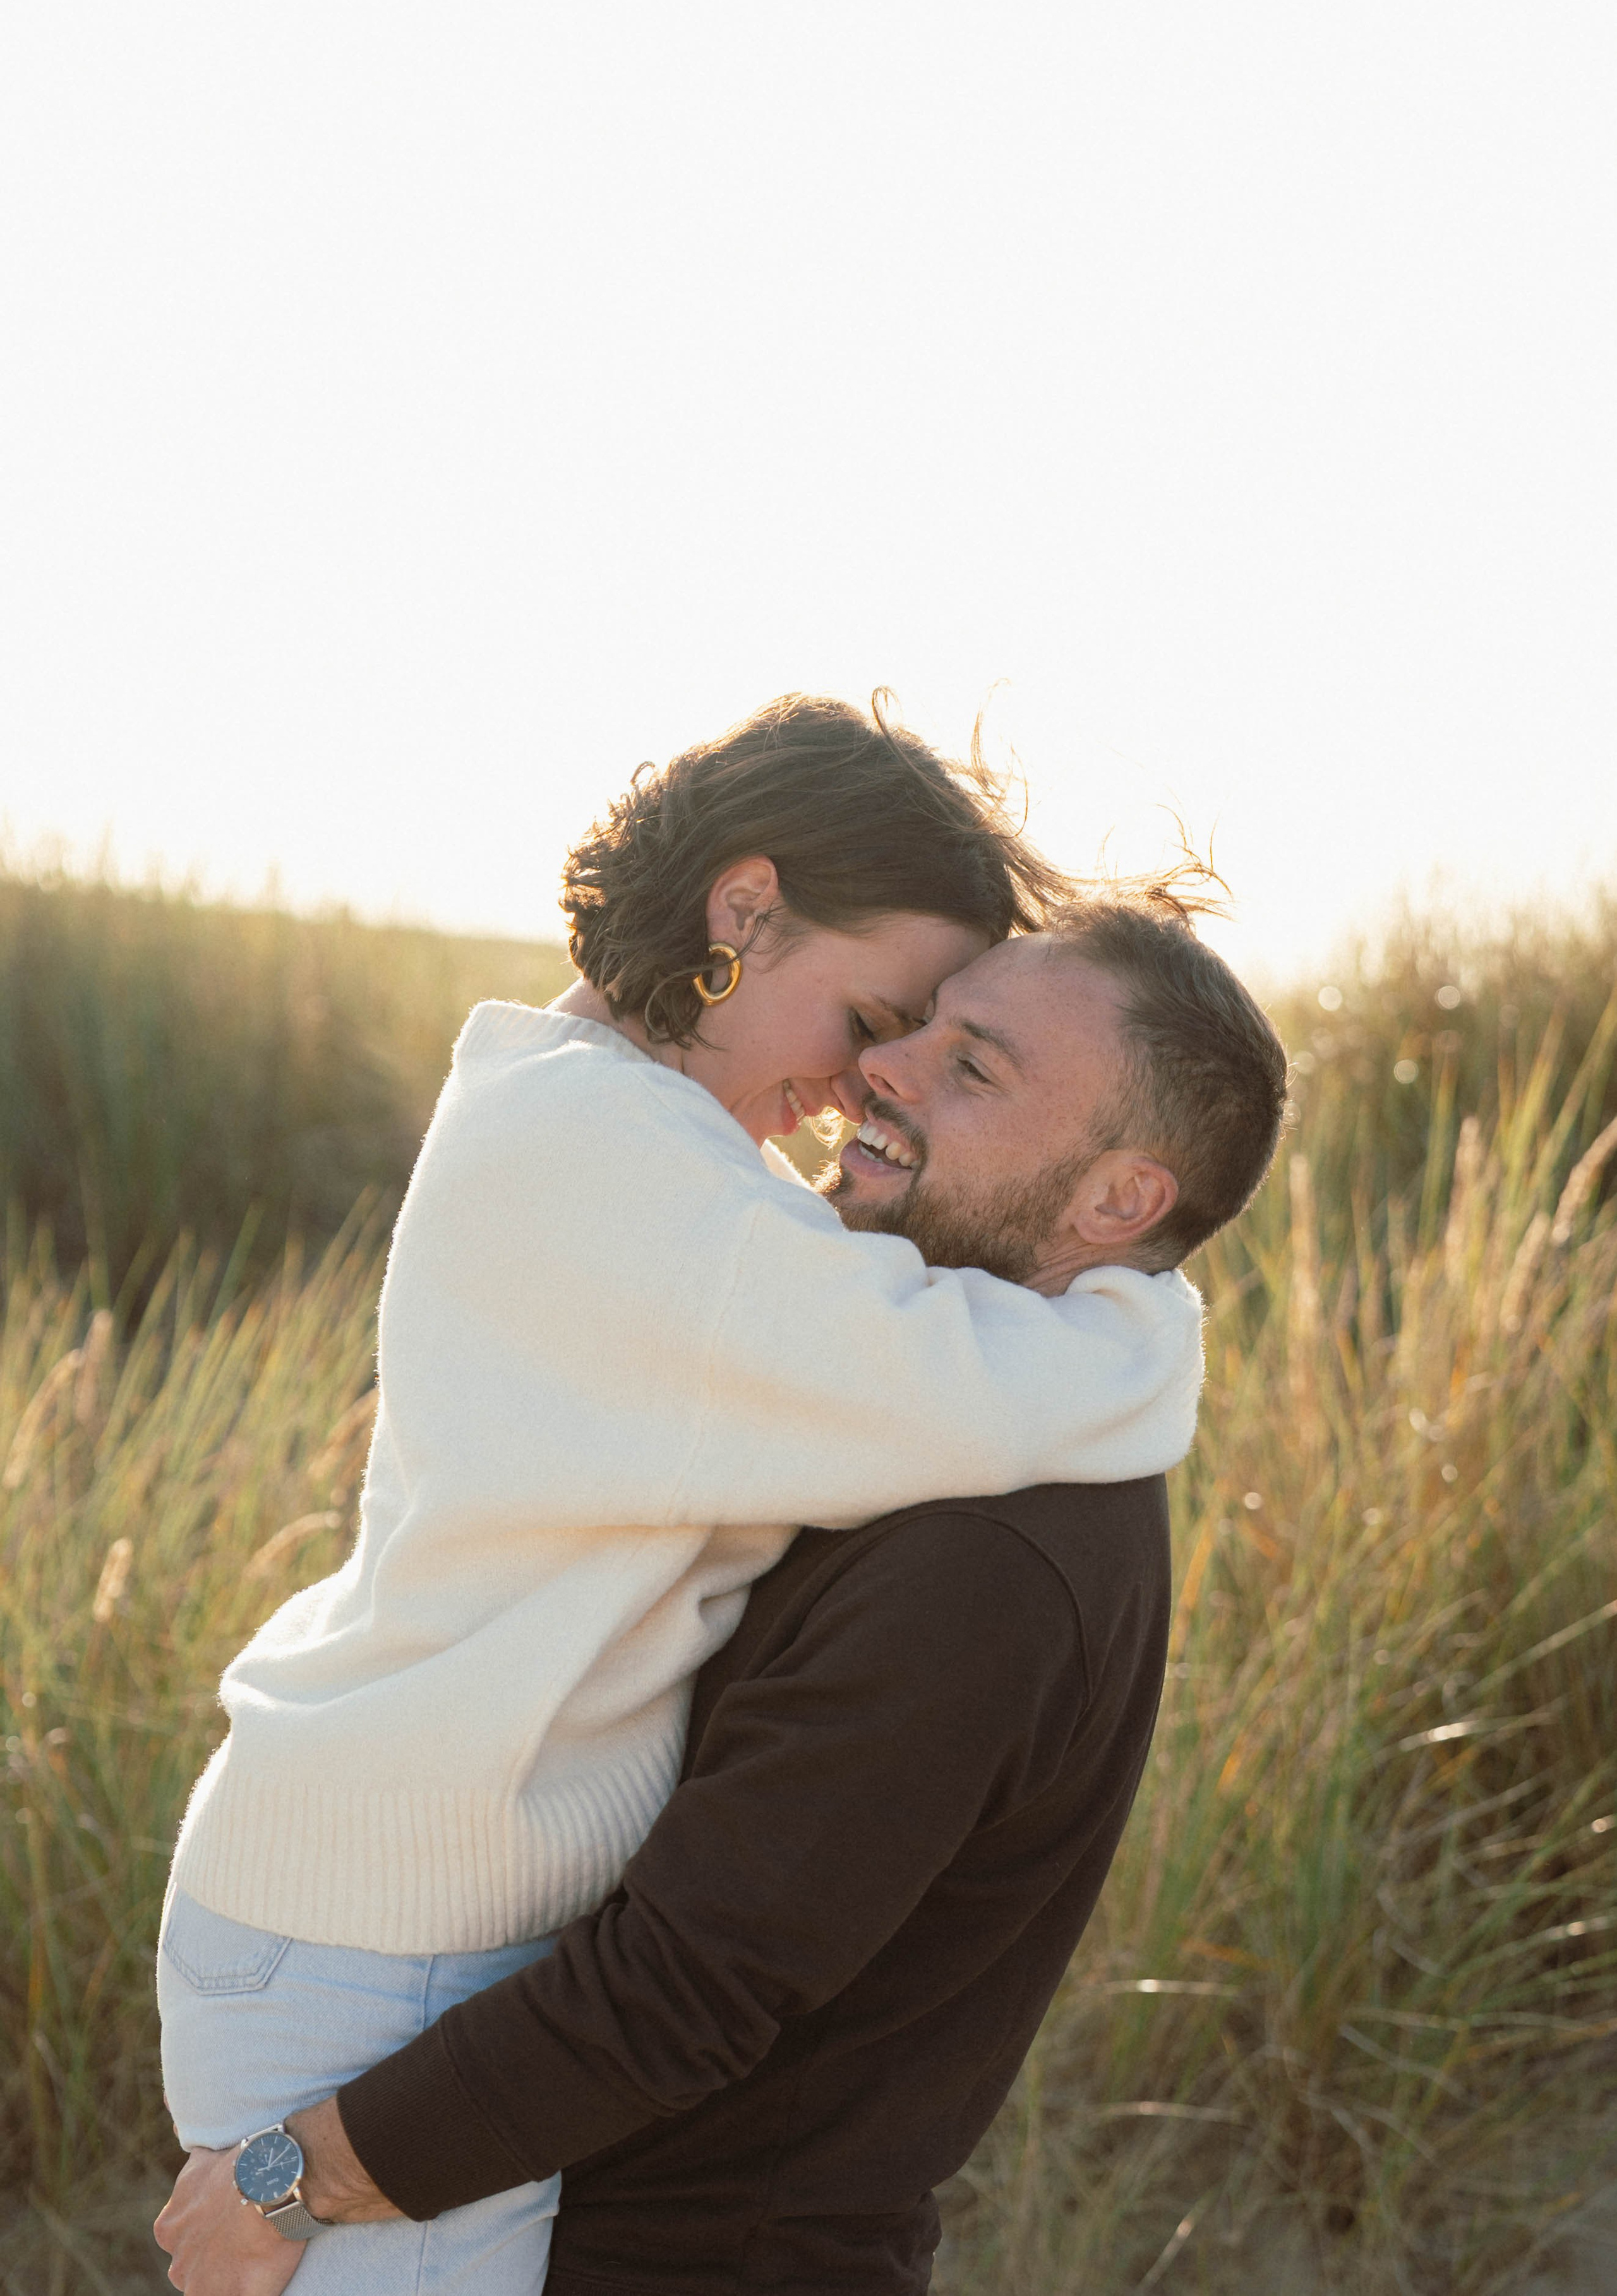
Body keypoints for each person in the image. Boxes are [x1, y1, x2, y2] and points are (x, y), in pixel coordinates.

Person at [153, 699, 1211, 2295]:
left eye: (940, 1041)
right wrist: (1145, 1313)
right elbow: (955, 1371)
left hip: (389, 1899)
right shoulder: (623, 1175)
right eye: (872, 1013)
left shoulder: (602, 1122)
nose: (869, 1078)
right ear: (744, 908)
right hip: (378, 1930)